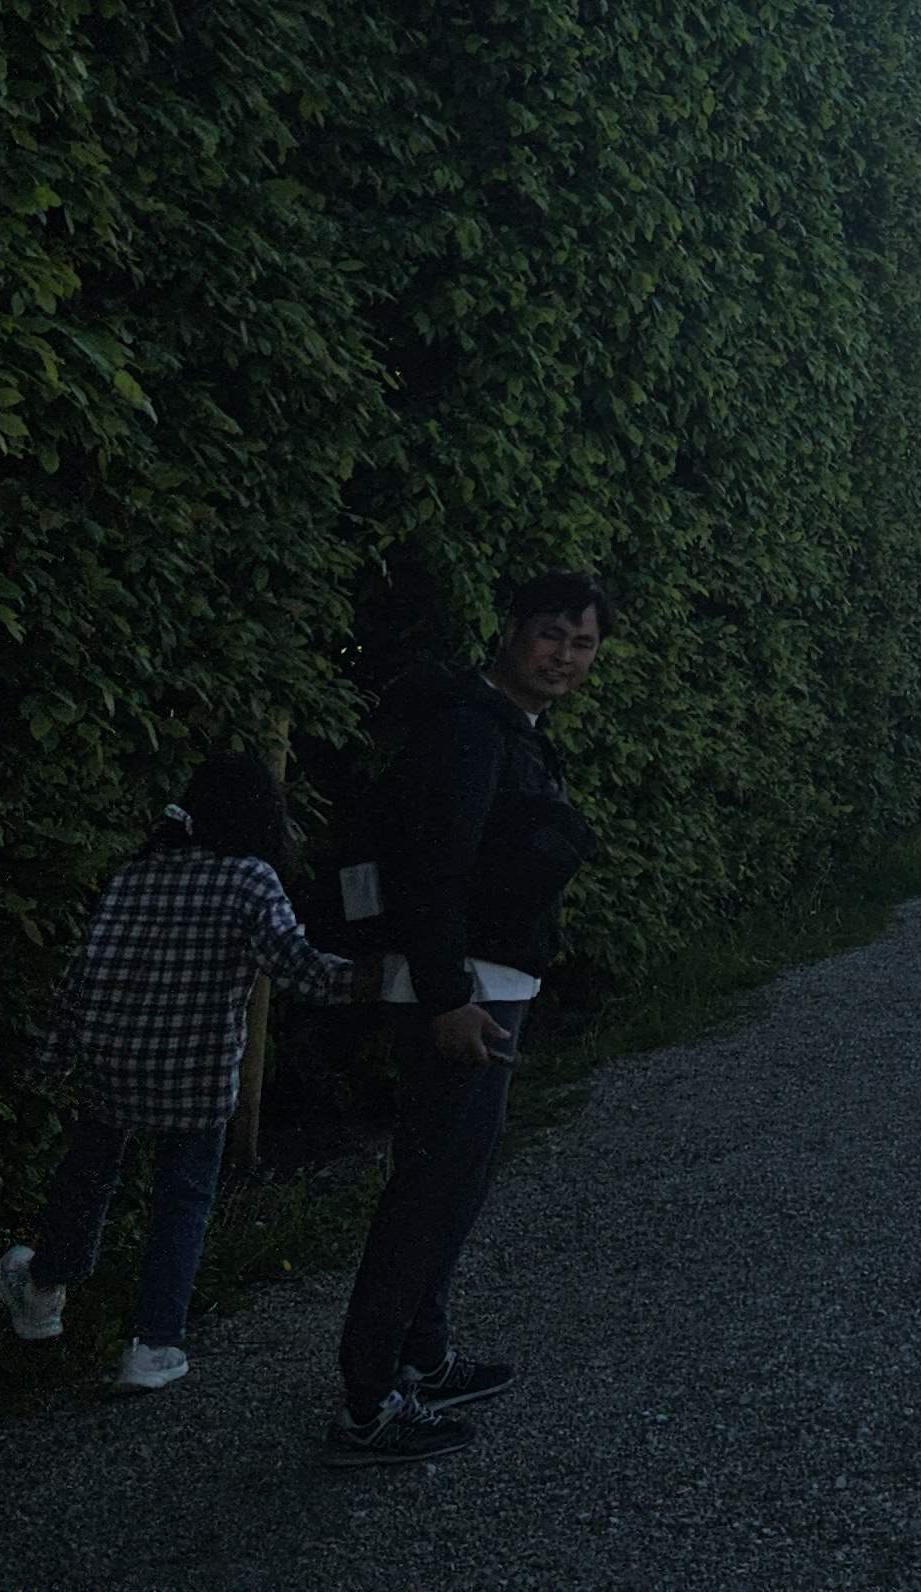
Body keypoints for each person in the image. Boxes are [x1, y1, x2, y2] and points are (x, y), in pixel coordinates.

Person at [325, 571, 610, 1467]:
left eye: (583, 643)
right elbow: (432, 870)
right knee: (430, 1193)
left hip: (485, 984)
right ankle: (368, 1406)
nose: (564, 656)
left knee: (457, 1185)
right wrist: (450, 996)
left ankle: (424, 1355)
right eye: (551, 633)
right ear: (511, 629)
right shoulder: (469, 732)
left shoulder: (506, 730)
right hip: (461, 993)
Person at [0, 756, 355, 1391]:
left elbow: (82, 975)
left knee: (87, 1177)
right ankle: (152, 1345)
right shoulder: (250, 880)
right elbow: (296, 966)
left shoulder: (134, 875)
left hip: (112, 1060)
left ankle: (44, 1288)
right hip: (196, 1072)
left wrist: (48, 1061)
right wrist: (376, 979)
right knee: (182, 1200)